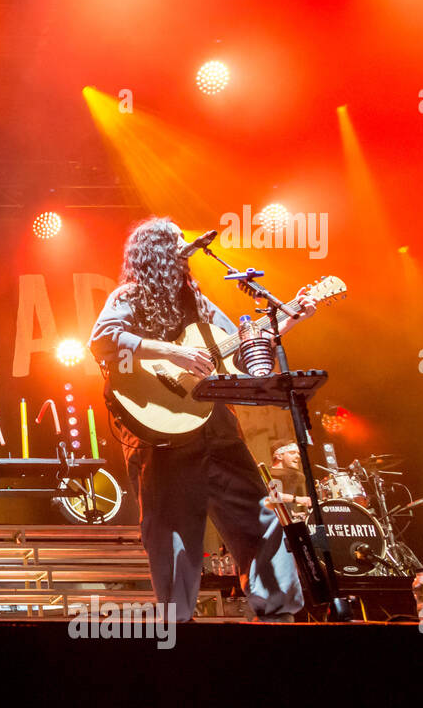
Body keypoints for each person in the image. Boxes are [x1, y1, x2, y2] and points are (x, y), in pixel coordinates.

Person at [89, 217, 316, 622]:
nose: (185, 246)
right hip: (163, 430)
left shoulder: (199, 301)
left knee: (258, 514)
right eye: (176, 240)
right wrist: (170, 353)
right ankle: (179, 624)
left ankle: (280, 613)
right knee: (173, 529)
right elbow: (103, 338)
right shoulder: (130, 296)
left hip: (217, 426)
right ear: (155, 251)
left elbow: (245, 346)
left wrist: (291, 317)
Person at [269, 438, 312, 518]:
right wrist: (297, 499)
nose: (298, 456)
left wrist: (291, 513)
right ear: (279, 456)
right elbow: (274, 495)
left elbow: (281, 505)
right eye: (292, 453)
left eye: (298, 453)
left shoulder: (290, 476)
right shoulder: (273, 474)